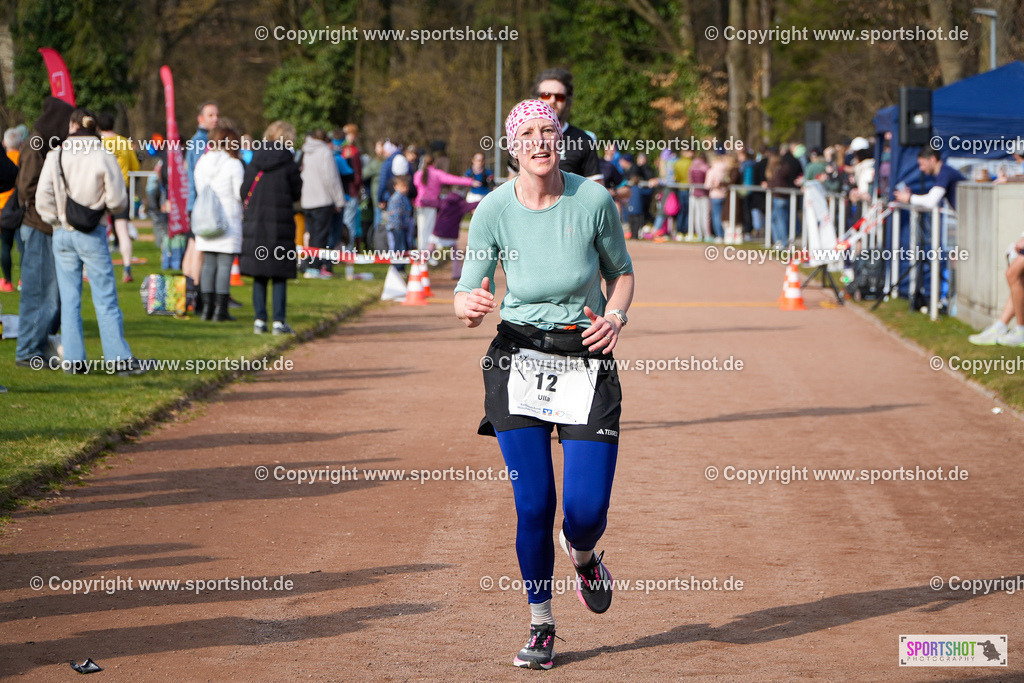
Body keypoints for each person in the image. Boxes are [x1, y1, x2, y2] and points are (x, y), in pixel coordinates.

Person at [454, 99, 634, 670]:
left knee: (585, 508)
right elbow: (466, 286)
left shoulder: (593, 199)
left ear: (561, 137)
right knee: (533, 503)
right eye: (526, 134)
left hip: (585, 354)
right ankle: (540, 624)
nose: (538, 142)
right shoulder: (493, 210)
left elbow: (621, 273)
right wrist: (470, 304)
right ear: (512, 146)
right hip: (518, 360)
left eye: (547, 132)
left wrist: (615, 317)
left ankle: (582, 555)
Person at [35, 108, 147, 375]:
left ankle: (74, 361)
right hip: (92, 232)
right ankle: (118, 359)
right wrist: (99, 208)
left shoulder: (56, 154)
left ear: (73, 126)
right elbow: (119, 200)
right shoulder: (103, 155)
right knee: (105, 297)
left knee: (70, 298)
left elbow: (42, 199)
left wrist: (57, 218)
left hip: (63, 232)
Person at [15, 96, 72, 369]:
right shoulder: (36, 144)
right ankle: (27, 351)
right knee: (39, 293)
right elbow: (26, 188)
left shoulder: (44, 143)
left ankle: (39, 346)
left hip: (44, 226)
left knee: (51, 294)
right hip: (38, 227)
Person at [240, 121, 302, 335]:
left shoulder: (255, 159)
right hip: (280, 222)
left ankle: (259, 320)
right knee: (279, 273)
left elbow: (244, 190)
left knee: (259, 274)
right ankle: (278, 321)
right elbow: (296, 193)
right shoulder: (289, 163)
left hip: (256, 222)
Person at [193, 125, 244, 322]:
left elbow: (199, 188)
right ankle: (220, 310)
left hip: (205, 218)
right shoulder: (233, 164)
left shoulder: (202, 161)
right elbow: (239, 193)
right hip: (227, 219)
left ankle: (206, 309)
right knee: (224, 265)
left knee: (208, 264)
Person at [532, 68, 601, 182]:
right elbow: (513, 181)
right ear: (536, 99)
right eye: (546, 95)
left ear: (567, 102)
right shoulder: (521, 137)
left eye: (559, 97)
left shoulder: (583, 140)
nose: (552, 100)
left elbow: (597, 192)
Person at [97, 111, 140, 282]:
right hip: (121, 188)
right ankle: (127, 268)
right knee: (122, 230)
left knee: (97, 229)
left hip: (100, 189)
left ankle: (93, 269)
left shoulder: (97, 142)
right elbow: (135, 167)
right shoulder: (123, 142)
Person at [184, 101, 219, 306]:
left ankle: (186, 290)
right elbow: (201, 175)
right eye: (210, 115)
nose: (215, 119)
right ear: (201, 119)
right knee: (198, 249)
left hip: (194, 203)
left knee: (192, 246)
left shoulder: (200, 140)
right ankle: (194, 293)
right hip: (200, 204)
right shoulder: (201, 141)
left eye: (216, 115)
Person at [299, 129, 345, 278]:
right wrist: (338, 199)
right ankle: (316, 266)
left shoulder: (305, 151)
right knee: (321, 236)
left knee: (312, 235)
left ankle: (310, 264)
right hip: (322, 199)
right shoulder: (325, 152)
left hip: (307, 200)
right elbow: (331, 178)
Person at [413, 153, 477, 252]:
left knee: (421, 230)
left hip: (420, 204)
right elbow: (452, 179)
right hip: (432, 205)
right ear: (434, 163)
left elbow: (416, 186)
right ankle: (425, 253)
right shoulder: (437, 174)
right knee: (429, 229)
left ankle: (422, 251)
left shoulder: (418, 174)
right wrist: (470, 182)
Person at [0, 127, 24, 292]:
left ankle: (7, 281)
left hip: (3, 208)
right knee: (23, 247)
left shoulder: (4, 159)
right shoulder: (23, 159)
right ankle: (23, 280)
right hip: (20, 208)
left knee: (5, 246)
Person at [386, 175, 413, 256]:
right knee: (399, 247)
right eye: (403, 186)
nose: (405, 188)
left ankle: (400, 265)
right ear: (396, 186)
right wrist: (398, 225)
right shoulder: (396, 198)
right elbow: (395, 214)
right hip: (397, 227)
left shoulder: (404, 197)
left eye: (406, 186)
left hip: (403, 226)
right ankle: (397, 266)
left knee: (403, 247)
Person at [687, 152, 710, 241]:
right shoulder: (705, 167)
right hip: (704, 193)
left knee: (697, 215)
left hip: (694, 193)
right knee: (705, 215)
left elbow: (690, 180)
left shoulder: (692, 167)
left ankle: (699, 234)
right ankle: (707, 235)